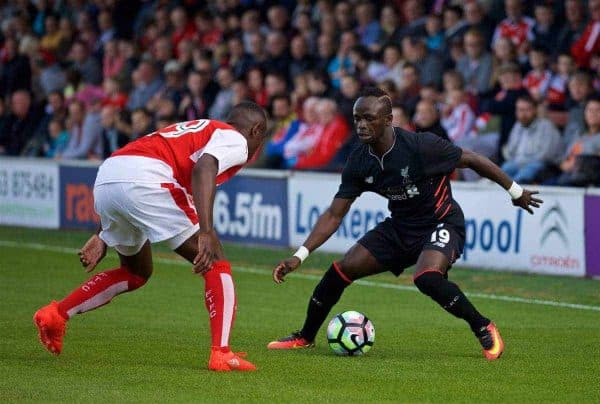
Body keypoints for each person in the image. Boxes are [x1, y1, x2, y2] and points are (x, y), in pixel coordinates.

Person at [267, 87, 542, 360]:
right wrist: (299, 256)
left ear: (388, 119)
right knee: (340, 270)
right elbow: (334, 214)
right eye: (357, 118)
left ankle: (483, 326)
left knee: (426, 277)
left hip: (441, 222)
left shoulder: (421, 146)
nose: (362, 125)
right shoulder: (360, 160)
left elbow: (472, 159)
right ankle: (305, 337)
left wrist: (516, 192)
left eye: (369, 118)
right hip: (400, 228)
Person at [33, 102, 268, 372]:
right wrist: (205, 230)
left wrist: (102, 234)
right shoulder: (236, 139)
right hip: (146, 178)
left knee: (136, 271)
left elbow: (134, 171)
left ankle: (56, 314)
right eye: (261, 137)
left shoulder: (201, 129)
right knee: (215, 261)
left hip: (109, 174)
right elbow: (205, 168)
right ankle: (222, 352)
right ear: (256, 130)